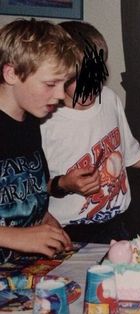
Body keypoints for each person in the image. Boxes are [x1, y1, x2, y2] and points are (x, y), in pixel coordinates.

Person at [40, 20, 140, 243]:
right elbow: (31, 189)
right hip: (67, 232)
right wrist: (65, 184)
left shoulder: (109, 99)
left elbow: (133, 155)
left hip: (116, 226)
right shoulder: (44, 118)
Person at [0, 18, 80, 264]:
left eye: (64, 84)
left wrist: (46, 222)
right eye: (50, 84)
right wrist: (15, 237)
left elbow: (28, 193)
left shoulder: (30, 122)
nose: (60, 95)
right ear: (11, 73)